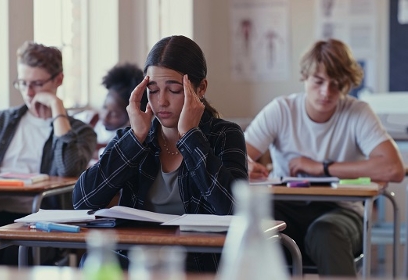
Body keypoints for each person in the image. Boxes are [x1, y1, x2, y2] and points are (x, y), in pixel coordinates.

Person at [73, 35, 248, 272]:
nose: (161, 101)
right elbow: (82, 200)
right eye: (153, 90)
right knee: (93, 264)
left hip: (197, 263)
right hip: (135, 260)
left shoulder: (225, 135)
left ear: (201, 88)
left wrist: (190, 136)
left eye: (174, 90)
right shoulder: (135, 137)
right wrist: (136, 139)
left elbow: (234, 209)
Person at [244, 38, 405, 276]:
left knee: (326, 232)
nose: (326, 92)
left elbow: (394, 169)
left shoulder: (357, 112)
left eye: (336, 85)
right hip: (288, 208)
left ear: (346, 85)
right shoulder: (282, 110)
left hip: (341, 211)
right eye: (319, 81)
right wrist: (246, 165)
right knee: (258, 224)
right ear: (305, 77)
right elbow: (237, 157)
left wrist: (323, 167)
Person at [0, 41, 97, 264]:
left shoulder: (80, 131)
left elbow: (70, 168)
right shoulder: (2, 121)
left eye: (36, 84)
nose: (28, 93)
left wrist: (57, 108)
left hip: (37, 218)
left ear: (58, 80)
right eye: (22, 83)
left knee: (12, 253)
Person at [76, 63, 148, 158]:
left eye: (114, 114)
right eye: (105, 107)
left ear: (129, 118)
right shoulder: (88, 119)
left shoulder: (125, 139)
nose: (105, 116)